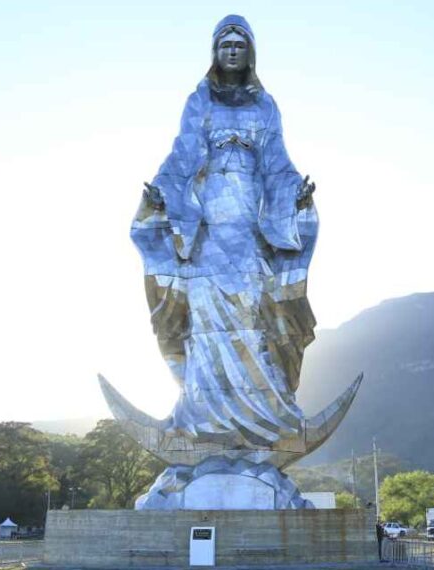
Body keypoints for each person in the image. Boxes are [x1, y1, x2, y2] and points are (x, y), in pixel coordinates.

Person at [132, 14, 318, 450]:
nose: (232, 51)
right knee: (204, 318)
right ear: (215, 52)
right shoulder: (199, 102)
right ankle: (199, 422)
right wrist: (160, 196)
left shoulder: (265, 107)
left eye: (239, 44)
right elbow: (181, 155)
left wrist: (295, 198)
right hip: (206, 228)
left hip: (249, 227)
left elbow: (277, 163)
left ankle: (263, 420)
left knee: (251, 316)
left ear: (250, 52)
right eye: (225, 44)